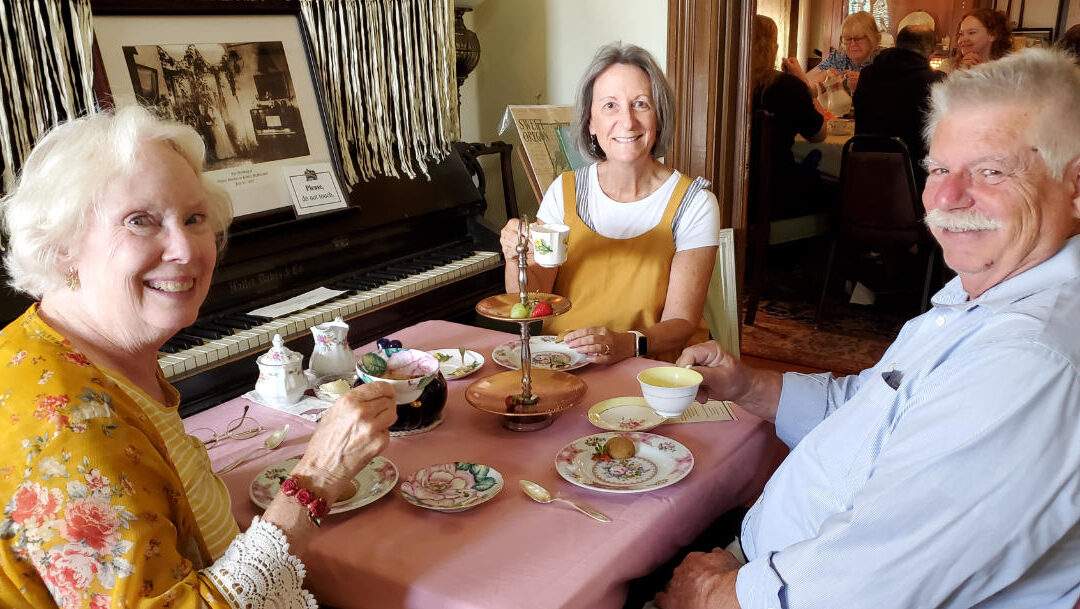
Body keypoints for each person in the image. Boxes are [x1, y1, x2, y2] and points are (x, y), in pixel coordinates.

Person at [656, 48, 1080, 609]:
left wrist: (712, 595)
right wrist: (745, 386)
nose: (945, 198)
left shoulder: (1028, 360)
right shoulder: (980, 300)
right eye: (937, 169)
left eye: (991, 170)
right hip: (767, 566)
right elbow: (871, 407)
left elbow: (862, 587)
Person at [0, 106, 397, 608]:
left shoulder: (80, 346)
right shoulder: (69, 428)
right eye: (140, 221)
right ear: (63, 249)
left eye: (194, 218)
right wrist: (316, 479)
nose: (186, 249)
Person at [500, 43, 719, 364]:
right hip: (565, 360)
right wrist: (515, 256)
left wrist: (626, 344)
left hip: (649, 364)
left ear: (659, 115)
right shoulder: (564, 191)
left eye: (641, 104)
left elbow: (681, 323)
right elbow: (531, 305)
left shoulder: (694, 203)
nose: (627, 121)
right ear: (590, 121)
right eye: (610, 106)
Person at [750, 15, 827, 219]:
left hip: (734, 193)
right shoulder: (786, 86)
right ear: (771, 47)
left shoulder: (726, 84)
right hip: (778, 194)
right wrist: (802, 79)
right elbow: (819, 134)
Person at [853, 25, 946, 189]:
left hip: (863, 176)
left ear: (896, 44)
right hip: (914, 181)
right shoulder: (935, 81)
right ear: (931, 52)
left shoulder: (867, 74)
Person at [783, 11, 880, 97]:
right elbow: (810, 79)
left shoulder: (884, 59)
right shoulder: (840, 56)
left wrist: (865, 82)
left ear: (874, 39)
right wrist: (799, 74)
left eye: (858, 38)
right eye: (847, 39)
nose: (852, 44)